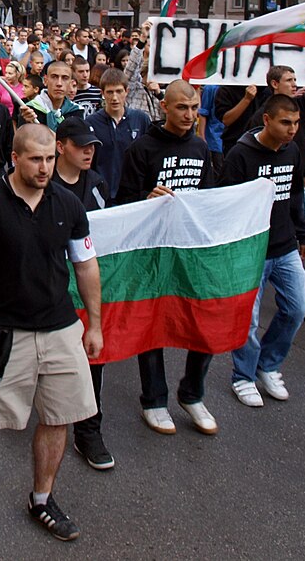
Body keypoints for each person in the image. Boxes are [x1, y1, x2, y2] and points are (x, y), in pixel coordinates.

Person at [0, 124, 102, 542]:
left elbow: (86, 265)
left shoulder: (68, 204)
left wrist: (95, 323)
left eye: (51, 158)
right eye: (36, 159)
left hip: (61, 327)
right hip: (4, 330)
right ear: (15, 158)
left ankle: (41, 498)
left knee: (59, 416)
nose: (45, 167)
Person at [116, 80, 217, 436]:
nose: (189, 115)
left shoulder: (201, 148)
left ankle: (192, 392)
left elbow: (208, 196)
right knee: (154, 323)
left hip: (189, 249)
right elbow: (122, 201)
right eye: (182, 108)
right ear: (165, 108)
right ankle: (154, 399)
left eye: (193, 108)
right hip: (153, 251)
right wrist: (146, 197)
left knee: (204, 319)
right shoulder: (140, 149)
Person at [220, 94, 305, 407]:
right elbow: (227, 204)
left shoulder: (293, 150)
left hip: (285, 247)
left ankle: (268, 365)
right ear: (267, 120)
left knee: (297, 308)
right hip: (252, 251)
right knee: (248, 319)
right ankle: (243, 376)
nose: (292, 129)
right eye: (286, 122)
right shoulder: (240, 156)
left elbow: (297, 194)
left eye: (296, 123)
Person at [49, 118, 114, 470]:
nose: (89, 151)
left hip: (84, 289)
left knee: (93, 358)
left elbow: (114, 223)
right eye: (81, 145)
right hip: (44, 290)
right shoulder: (43, 183)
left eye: (93, 147)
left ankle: (88, 431)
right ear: (61, 147)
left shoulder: (97, 183)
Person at [85, 68, 149, 199]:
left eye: (119, 91)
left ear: (127, 91)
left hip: (135, 195)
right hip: (103, 194)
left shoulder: (141, 119)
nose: (114, 97)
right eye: (110, 92)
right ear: (102, 93)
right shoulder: (91, 123)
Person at [25, 61, 84, 131]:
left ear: (70, 83)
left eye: (65, 78)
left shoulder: (76, 111)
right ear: (45, 80)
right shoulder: (30, 110)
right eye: (54, 77)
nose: (59, 83)